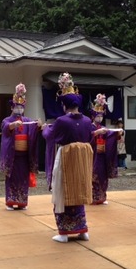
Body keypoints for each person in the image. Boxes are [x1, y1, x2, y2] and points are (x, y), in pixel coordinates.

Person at [42, 72, 93, 243]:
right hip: (81, 160)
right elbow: (91, 137)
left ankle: (64, 232)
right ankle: (82, 230)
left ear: (64, 105)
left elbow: (50, 136)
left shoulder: (62, 121)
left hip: (65, 158)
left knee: (62, 190)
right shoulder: (87, 121)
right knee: (78, 189)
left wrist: (44, 128)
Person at [0, 83, 42, 210]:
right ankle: (11, 202)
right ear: (12, 108)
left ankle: (22, 202)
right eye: (17, 107)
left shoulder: (27, 119)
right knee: (11, 179)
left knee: (23, 179)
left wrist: (38, 126)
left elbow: (34, 130)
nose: (19, 110)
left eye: (21, 107)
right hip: (12, 156)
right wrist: (12, 125)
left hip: (24, 156)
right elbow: (5, 128)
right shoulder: (7, 120)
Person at [90, 93, 119, 205]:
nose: (100, 118)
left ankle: (102, 196)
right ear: (93, 116)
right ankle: (93, 197)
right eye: (98, 116)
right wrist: (96, 133)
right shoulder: (90, 126)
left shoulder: (103, 127)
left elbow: (110, 136)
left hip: (102, 155)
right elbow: (86, 137)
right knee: (93, 175)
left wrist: (116, 134)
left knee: (102, 176)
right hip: (93, 155)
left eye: (101, 116)